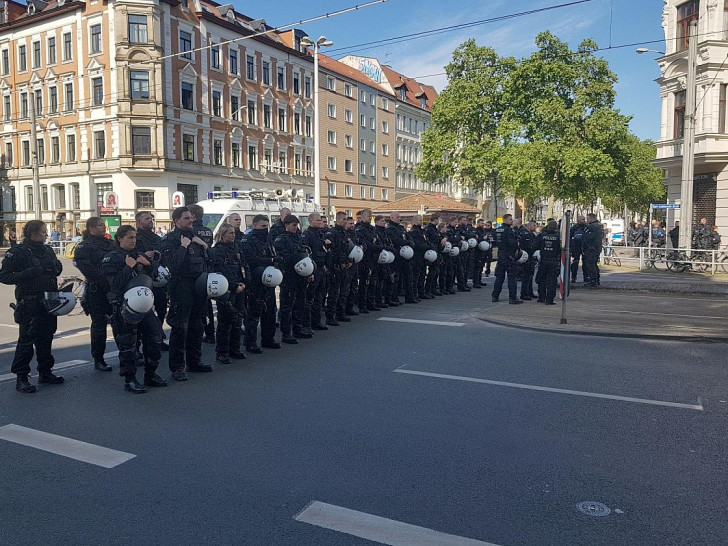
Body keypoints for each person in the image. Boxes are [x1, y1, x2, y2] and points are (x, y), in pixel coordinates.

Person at [0, 220, 64, 393]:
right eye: (44, 231)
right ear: (34, 233)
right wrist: (27, 274)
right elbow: (4, 276)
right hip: (30, 301)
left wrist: (57, 267)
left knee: (46, 337)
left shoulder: (47, 250)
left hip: (48, 300)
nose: (46, 234)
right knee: (26, 341)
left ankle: (45, 372)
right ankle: (21, 377)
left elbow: (55, 269)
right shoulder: (18, 252)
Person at [102, 226, 167, 393]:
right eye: (129, 237)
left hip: (144, 303)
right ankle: (130, 379)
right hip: (124, 305)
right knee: (128, 345)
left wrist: (149, 264)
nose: (133, 240)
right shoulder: (111, 258)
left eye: (134, 237)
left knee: (155, 337)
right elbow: (114, 284)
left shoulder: (139, 255)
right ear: (120, 239)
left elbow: (154, 278)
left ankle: (151, 374)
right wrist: (128, 267)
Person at [160, 206, 212, 380]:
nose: (191, 220)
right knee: (180, 328)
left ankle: (194, 362)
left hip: (198, 285)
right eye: (187, 218)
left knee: (198, 325)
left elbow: (210, 261)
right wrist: (183, 247)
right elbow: (173, 265)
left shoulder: (196, 237)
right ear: (177, 221)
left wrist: (204, 245)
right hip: (181, 286)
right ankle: (177, 368)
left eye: (191, 218)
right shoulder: (170, 240)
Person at [74, 217, 115, 371]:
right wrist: (106, 283)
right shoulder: (84, 247)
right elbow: (89, 270)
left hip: (113, 288)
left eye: (103, 225)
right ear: (91, 228)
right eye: (100, 225)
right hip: (97, 290)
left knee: (119, 322)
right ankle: (99, 359)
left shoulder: (110, 243)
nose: (103, 227)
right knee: (99, 326)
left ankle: (127, 354)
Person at [241, 214, 281, 353]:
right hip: (255, 280)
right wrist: (270, 261)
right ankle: (250, 342)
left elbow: (272, 254)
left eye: (267, 226)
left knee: (270, 311)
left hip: (269, 279)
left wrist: (275, 260)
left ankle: (268, 339)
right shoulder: (247, 240)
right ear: (255, 225)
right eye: (263, 226)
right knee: (254, 313)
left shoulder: (268, 239)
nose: (265, 229)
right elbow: (251, 260)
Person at [209, 223, 247, 364]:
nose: (233, 235)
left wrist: (244, 282)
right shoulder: (216, 251)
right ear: (223, 234)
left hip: (239, 288)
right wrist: (233, 286)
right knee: (225, 322)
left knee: (237, 320)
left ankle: (235, 349)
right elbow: (220, 271)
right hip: (226, 290)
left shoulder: (236, 248)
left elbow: (242, 267)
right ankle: (222, 352)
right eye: (230, 233)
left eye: (233, 233)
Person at [274, 215, 314, 343]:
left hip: (301, 275)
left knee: (300, 303)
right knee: (287, 305)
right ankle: (286, 333)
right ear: (286, 225)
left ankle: (298, 328)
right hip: (289, 275)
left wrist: (309, 271)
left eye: (297, 225)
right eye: (293, 225)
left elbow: (306, 255)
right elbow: (284, 257)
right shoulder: (281, 239)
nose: (296, 228)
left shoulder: (299, 238)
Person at [135, 211, 169, 351]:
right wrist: (143, 255)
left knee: (161, 309)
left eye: (151, 218)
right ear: (138, 222)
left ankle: (158, 338)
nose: (150, 220)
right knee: (141, 311)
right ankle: (138, 344)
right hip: (142, 278)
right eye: (147, 219)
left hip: (158, 278)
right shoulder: (135, 237)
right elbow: (129, 254)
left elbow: (164, 256)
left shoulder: (156, 238)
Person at [188, 204, 216, 345]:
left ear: (192, 216)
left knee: (196, 305)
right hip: (207, 269)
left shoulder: (191, 232)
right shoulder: (207, 231)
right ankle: (210, 332)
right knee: (207, 303)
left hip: (196, 270)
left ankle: (199, 332)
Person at [325, 211, 354, 325]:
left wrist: (349, 261)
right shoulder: (331, 233)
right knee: (334, 293)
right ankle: (330, 316)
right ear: (336, 220)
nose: (345, 221)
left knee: (344, 292)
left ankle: (340, 313)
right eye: (343, 219)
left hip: (345, 267)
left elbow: (348, 249)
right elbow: (332, 250)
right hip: (335, 267)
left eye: (346, 219)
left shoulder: (345, 233)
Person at [304, 212, 330, 328]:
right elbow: (306, 254)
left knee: (319, 297)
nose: (320, 222)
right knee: (310, 298)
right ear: (311, 221)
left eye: (320, 220)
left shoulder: (320, 234)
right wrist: (310, 271)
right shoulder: (307, 235)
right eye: (317, 220)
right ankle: (307, 324)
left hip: (321, 268)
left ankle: (317, 321)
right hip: (313, 269)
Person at [491, 214, 522, 304]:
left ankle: (495, 296)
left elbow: (495, 242)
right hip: (509, 256)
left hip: (501, 255)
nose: (512, 221)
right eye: (510, 219)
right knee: (512, 278)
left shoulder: (497, 230)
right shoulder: (509, 230)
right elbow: (512, 244)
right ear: (505, 220)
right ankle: (512, 298)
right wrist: (517, 242)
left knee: (499, 277)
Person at [386, 211, 417, 303]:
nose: (399, 218)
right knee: (396, 277)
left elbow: (408, 237)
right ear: (392, 218)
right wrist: (407, 242)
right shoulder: (390, 229)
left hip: (405, 256)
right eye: (397, 217)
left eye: (399, 217)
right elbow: (395, 240)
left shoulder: (400, 228)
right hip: (397, 255)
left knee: (409, 276)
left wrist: (410, 242)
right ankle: (394, 298)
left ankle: (410, 297)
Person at [354, 209, 379, 313]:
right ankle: (362, 305)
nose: (370, 218)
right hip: (365, 259)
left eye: (371, 217)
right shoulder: (360, 229)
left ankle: (370, 303)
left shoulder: (372, 229)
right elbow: (366, 245)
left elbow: (377, 240)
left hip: (374, 259)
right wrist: (379, 247)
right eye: (368, 216)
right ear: (363, 217)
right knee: (364, 283)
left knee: (373, 283)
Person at [534, 220, 561, 305]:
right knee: (552, 281)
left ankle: (541, 297)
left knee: (542, 279)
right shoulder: (558, 237)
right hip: (553, 260)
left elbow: (535, 245)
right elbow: (561, 249)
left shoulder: (541, 235)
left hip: (543, 260)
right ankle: (549, 300)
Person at [408, 215, 433, 299]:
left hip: (423, 256)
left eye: (421, 220)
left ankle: (421, 293)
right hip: (417, 256)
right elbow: (417, 245)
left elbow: (426, 241)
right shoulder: (413, 231)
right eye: (419, 220)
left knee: (422, 275)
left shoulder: (422, 231)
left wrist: (430, 246)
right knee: (416, 276)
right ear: (414, 221)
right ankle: (414, 294)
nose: (421, 222)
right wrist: (427, 247)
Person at [374, 215, 396, 307]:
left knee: (390, 280)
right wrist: (387, 247)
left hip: (387, 258)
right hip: (380, 259)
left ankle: (388, 299)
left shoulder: (385, 232)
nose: (384, 222)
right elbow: (379, 244)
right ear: (377, 222)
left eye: (384, 221)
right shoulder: (376, 232)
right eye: (382, 221)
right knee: (380, 281)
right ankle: (379, 301)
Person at [423, 214, 443, 297]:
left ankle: (433, 289)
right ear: (435, 220)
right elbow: (432, 239)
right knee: (432, 272)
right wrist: (440, 238)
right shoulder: (429, 229)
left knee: (436, 272)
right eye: (438, 219)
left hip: (436, 251)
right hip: (432, 252)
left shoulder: (434, 228)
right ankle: (428, 290)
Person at [582, 213, 604, 288]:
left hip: (591, 248)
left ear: (592, 218)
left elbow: (589, 237)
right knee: (594, 264)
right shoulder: (599, 225)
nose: (587, 220)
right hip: (597, 247)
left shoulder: (592, 226)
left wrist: (585, 244)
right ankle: (596, 280)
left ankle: (593, 281)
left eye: (588, 218)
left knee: (591, 265)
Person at [519, 221, 537, 300]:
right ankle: (524, 293)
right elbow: (530, 246)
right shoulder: (525, 234)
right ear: (529, 225)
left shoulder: (531, 234)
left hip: (531, 258)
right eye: (533, 225)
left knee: (530, 276)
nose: (535, 227)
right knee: (526, 276)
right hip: (526, 257)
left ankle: (530, 292)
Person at [569, 215, 586, 283]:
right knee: (575, 262)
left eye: (584, 219)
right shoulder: (574, 228)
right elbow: (570, 237)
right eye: (582, 219)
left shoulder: (586, 227)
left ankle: (586, 277)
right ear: (578, 220)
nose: (584, 221)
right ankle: (573, 277)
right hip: (576, 247)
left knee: (585, 263)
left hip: (584, 247)